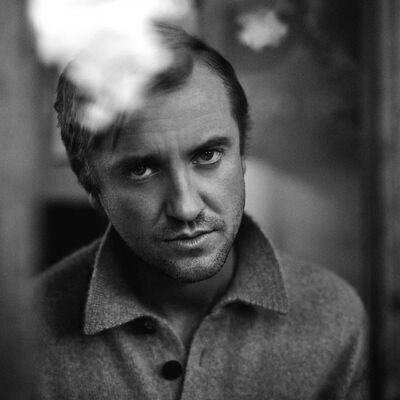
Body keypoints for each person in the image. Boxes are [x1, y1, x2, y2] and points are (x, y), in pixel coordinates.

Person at [33, 26, 368, 399]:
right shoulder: (24, 338)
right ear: (91, 186)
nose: (186, 207)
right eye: (141, 170)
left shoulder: (335, 317)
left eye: (208, 155)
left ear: (242, 156)